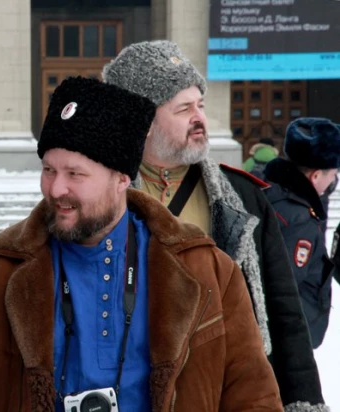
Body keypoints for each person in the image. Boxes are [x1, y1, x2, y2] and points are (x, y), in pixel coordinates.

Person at [0, 76, 282, 411]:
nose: (55, 189)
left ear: (122, 179)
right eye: (48, 170)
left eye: (75, 174)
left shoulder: (205, 272)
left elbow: (252, 394)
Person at [102, 40, 326, 410]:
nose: (200, 118)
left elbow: (284, 310)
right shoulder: (97, 197)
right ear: (141, 120)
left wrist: (302, 399)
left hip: (228, 390)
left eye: (200, 106)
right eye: (184, 108)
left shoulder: (243, 197)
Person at [262, 117, 340, 348]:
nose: (334, 180)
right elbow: (283, 292)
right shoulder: (297, 219)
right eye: (333, 173)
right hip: (287, 344)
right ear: (315, 176)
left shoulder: (276, 195)